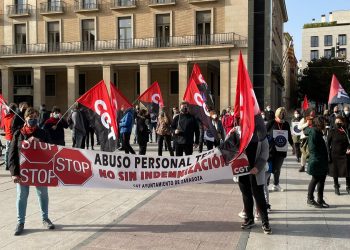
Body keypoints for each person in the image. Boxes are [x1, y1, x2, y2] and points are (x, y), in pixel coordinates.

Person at [8, 107, 55, 236]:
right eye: (30, 117)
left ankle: (45, 219)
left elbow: (51, 149)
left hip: (39, 171)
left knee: (43, 195)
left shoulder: (43, 133)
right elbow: (12, 155)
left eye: (35, 117)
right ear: (25, 118)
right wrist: (13, 173)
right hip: (22, 172)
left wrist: (39, 142)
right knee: (21, 196)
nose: (33, 120)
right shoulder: (19, 133)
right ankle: (20, 222)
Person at [239, 114, 272, 234]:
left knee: (259, 196)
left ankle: (265, 222)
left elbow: (265, 153)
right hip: (242, 171)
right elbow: (231, 148)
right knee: (246, 195)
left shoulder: (261, 136)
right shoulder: (239, 133)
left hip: (256, 171)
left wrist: (257, 168)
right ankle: (249, 219)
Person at [304, 116, 329, 208]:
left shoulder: (318, 132)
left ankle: (320, 199)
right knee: (315, 180)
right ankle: (310, 199)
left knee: (321, 180)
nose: (325, 125)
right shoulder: (314, 132)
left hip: (321, 160)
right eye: (324, 123)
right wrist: (319, 158)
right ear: (320, 123)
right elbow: (312, 148)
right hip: (317, 160)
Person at [266, 107, 293, 192]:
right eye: (281, 112)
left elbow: (289, 136)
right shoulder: (271, 123)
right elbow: (263, 133)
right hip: (271, 150)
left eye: (284, 112)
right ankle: (266, 185)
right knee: (269, 168)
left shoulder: (286, 124)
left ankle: (276, 184)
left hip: (281, 150)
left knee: (277, 169)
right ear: (277, 113)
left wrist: (293, 146)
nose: (283, 114)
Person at [327, 115, 350, 195]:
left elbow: (349, 141)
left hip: (345, 154)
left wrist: (349, 148)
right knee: (335, 171)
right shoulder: (332, 131)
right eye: (337, 122)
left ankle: (348, 186)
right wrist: (328, 153)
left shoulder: (346, 130)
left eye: (340, 121)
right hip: (334, 154)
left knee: (347, 171)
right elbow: (328, 143)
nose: (338, 123)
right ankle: (336, 186)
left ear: (343, 122)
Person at [3, 103, 18, 170]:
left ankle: (6, 164)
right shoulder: (15, 117)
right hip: (13, 137)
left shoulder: (5, 117)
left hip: (8, 136)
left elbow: (4, 127)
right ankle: (11, 164)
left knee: (7, 151)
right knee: (13, 152)